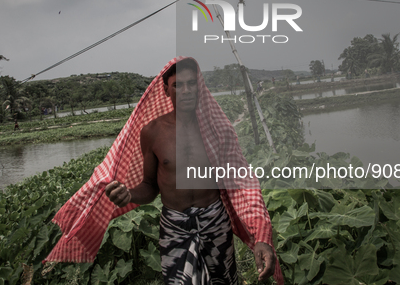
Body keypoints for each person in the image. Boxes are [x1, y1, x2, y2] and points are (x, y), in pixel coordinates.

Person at [44, 58, 282, 284]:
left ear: (199, 88)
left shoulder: (217, 129)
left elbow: (241, 182)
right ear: (167, 91)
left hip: (215, 221)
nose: (186, 90)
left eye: (192, 84)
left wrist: (261, 236)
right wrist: (129, 195)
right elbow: (150, 187)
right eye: (178, 85)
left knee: (224, 280)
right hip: (174, 226)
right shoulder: (153, 132)